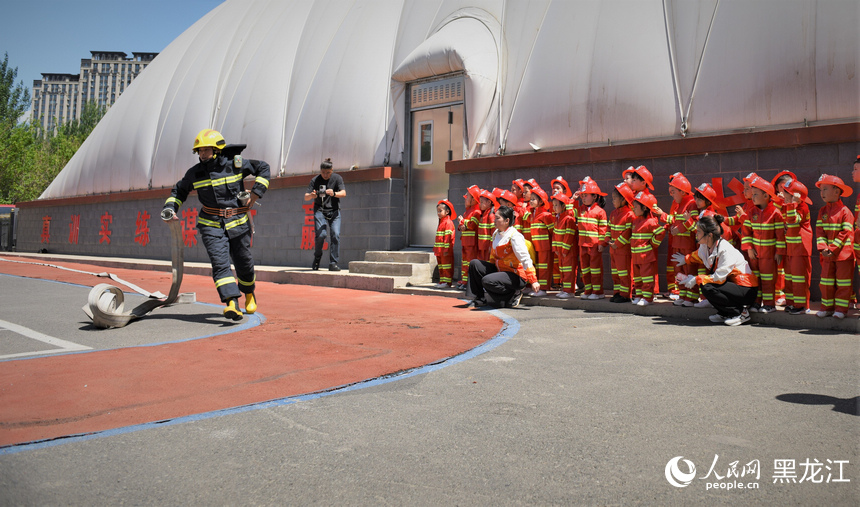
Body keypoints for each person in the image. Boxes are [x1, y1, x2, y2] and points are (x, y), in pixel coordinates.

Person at [163, 128, 270, 321]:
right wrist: (171, 208)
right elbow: (179, 191)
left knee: (244, 262)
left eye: (206, 150)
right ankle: (232, 303)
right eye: (200, 151)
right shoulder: (194, 173)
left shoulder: (235, 165)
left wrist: (256, 192)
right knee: (220, 264)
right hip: (210, 224)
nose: (202, 154)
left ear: (217, 149)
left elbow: (263, 167)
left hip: (239, 222)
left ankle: (249, 293)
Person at [673, 215, 759, 326]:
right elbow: (697, 256)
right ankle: (725, 313)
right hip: (732, 285)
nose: (696, 233)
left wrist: (696, 279)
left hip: (746, 289)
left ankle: (740, 313)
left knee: (707, 286)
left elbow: (719, 277)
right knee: (705, 285)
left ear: (709, 235)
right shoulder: (705, 246)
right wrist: (685, 259)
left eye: (698, 231)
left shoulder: (725, 250)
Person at [465, 206, 540, 308]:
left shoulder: (514, 236)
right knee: (475, 264)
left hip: (516, 275)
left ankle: (513, 294)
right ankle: (479, 299)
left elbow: (525, 258)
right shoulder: (496, 233)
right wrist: (488, 270)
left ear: (507, 220)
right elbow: (493, 256)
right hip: (501, 270)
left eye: (497, 218)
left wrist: (533, 281)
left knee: (487, 280)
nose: (494, 220)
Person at [740, 175, 785, 313]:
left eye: (755, 194)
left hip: (769, 255)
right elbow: (746, 232)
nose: (752, 197)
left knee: (768, 279)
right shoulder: (751, 212)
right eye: (752, 194)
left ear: (766, 195)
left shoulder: (775, 214)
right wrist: (748, 248)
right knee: (756, 279)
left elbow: (780, 236)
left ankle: (769, 304)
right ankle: (756, 303)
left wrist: (779, 252)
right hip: (755, 254)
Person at [814, 174, 855, 319]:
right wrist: (823, 247)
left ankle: (841, 310)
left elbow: (846, 232)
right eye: (820, 190)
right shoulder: (822, 211)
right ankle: (826, 308)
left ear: (837, 192)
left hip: (844, 255)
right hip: (827, 255)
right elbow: (819, 232)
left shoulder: (845, 212)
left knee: (843, 284)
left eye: (825, 189)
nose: (822, 193)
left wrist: (831, 249)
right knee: (825, 282)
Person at [304, 158, 346, 271]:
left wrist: (334, 193)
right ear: (320, 171)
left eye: (328, 173)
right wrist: (312, 196)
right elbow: (306, 196)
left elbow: (344, 193)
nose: (325, 175)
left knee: (335, 234)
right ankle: (317, 257)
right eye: (323, 172)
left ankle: (333, 263)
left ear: (332, 170)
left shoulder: (337, 178)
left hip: (334, 211)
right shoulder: (315, 180)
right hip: (320, 211)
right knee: (321, 235)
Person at [779, 177, 813, 314]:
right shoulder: (790, 206)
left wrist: (792, 204)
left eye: (787, 194)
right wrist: (786, 203)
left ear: (795, 197)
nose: (784, 197)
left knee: (799, 278)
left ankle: (802, 306)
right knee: (790, 277)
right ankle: (792, 303)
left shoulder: (802, 207)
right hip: (791, 249)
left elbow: (793, 222)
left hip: (800, 249)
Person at [629, 191, 666, 306]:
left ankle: (648, 298)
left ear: (644, 208)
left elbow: (661, 232)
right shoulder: (635, 221)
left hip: (646, 257)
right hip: (636, 257)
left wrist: (653, 244)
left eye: (636, 207)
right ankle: (639, 296)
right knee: (638, 279)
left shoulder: (650, 221)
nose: (634, 209)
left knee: (647, 279)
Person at [575, 177, 608, 299]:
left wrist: (601, 243)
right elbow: (568, 211)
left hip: (594, 246)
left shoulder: (600, 211)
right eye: (582, 195)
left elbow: (603, 230)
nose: (583, 198)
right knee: (585, 270)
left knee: (595, 270)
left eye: (585, 195)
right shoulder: (580, 210)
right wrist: (574, 198)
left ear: (594, 197)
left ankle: (598, 292)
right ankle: (588, 291)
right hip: (582, 245)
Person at [604, 182, 635, 303]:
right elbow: (608, 229)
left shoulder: (629, 214)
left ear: (623, 199)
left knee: (624, 273)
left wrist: (618, 243)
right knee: (615, 273)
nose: (613, 201)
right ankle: (617, 293)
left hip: (623, 250)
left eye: (614, 198)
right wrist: (608, 240)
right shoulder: (613, 213)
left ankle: (625, 294)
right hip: (614, 249)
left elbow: (628, 232)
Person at [527, 187, 554, 296]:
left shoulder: (546, 215)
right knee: (537, 267)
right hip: (535, 246)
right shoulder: (532, 214)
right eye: (531, 199)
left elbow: (552, 231)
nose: (531, 201)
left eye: (534, 199)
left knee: (544, 268)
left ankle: (543, 289)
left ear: (541, 201)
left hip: (544, 247)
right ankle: (537, 288)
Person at [551, 193, 577, 298]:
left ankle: (569, 291)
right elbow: (554, 234)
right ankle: (564, 289)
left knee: (568, 271)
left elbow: (569, 235)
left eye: (556, 205)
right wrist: (556, 249)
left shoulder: (568, 219)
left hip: (568, 252)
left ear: (563, 206)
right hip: (561, 251)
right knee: (563, 270)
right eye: (553, 205)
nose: (554, 207)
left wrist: (565, 250)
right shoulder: (557, 219)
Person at [457, 185, 482, 289]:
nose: (465, 199)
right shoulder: (467, 211)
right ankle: (464, 280)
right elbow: (462, 226)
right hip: (465, 242)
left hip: (472, 243)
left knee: (470, 262)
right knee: (464, 262)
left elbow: (472, 225)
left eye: (467, 197)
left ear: (473, 199)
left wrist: (462, 221)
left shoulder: (476, 212)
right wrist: (462, 225)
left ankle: (470, 282)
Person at [434, 199, 456, 288]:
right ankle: (442, 281)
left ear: (447, 211)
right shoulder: (441, 222)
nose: (438, 213)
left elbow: (448, 238)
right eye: (437, 211)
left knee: (446, 266)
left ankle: (447, 282)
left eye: (440, 211)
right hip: (440, 250)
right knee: (441, 266)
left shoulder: (448, 222)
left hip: (445, 250)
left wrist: (446, 249)